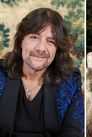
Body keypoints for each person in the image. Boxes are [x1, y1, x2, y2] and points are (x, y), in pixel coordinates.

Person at [0, 8, 84, 136]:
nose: (41, 48)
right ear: (21, 41)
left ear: (58, 48)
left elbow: (73, 132)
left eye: (51, 41)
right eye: (34, 37)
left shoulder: (71, 81)